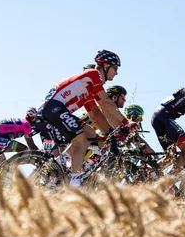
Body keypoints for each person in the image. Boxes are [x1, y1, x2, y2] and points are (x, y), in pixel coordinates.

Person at [39, 49, 133, 186]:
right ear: (105, 66)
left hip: (56, 110)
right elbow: (106, 102)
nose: (117, 72)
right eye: (115, 68)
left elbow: (95, 113)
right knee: (81, 142)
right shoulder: (93, 74)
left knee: (90, 133)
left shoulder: (87, 89)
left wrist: (109, 133)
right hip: (53, 108)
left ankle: (59, 164)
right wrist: (126, 122)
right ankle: (74, 183)